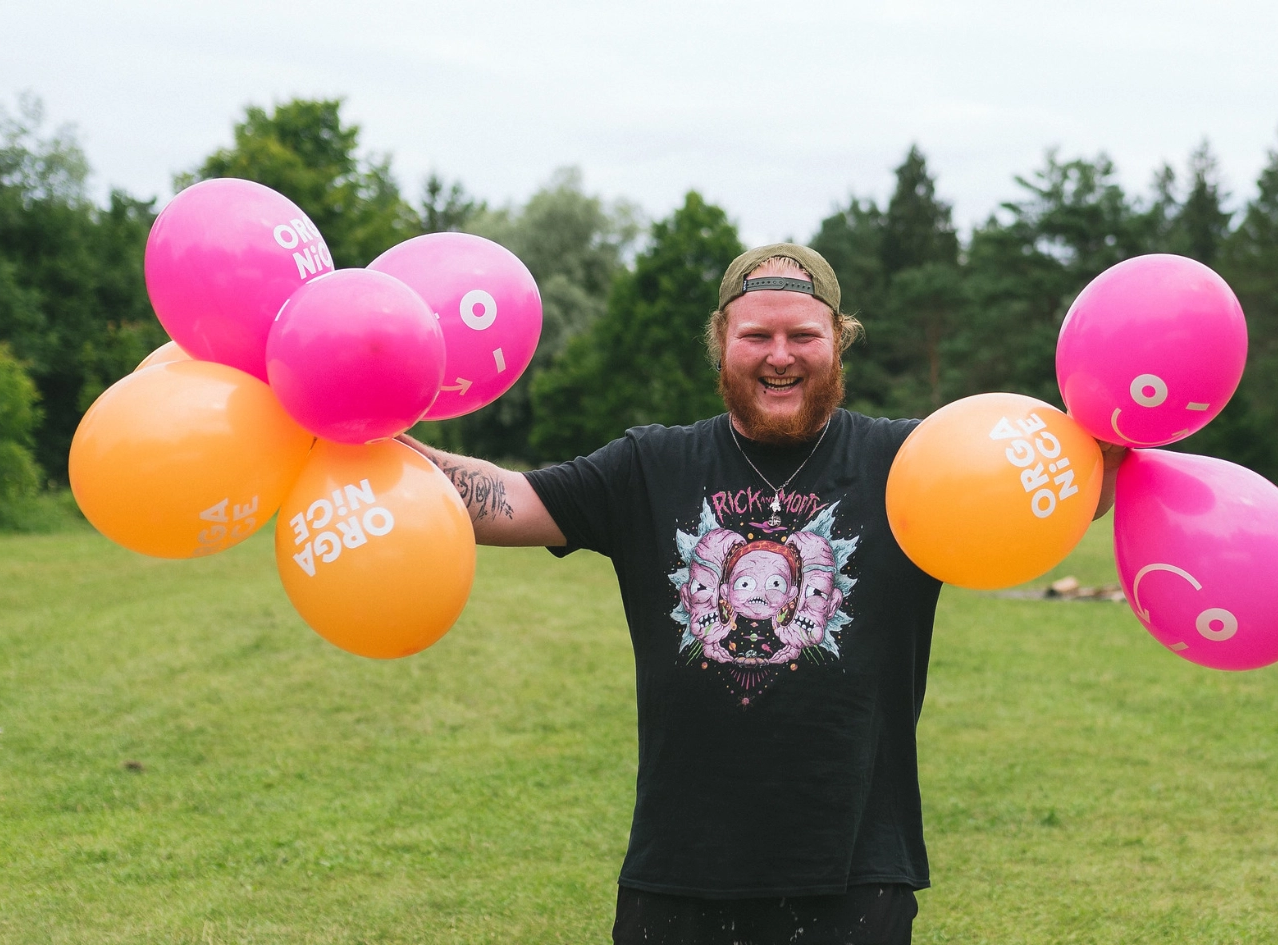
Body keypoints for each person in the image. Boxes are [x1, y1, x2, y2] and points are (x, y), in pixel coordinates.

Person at [402, 243, 1122, 945]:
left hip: (855, 875)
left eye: (803, 334)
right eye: (757, 335)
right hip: (679, 871)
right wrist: (371, 439)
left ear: (838, 341)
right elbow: (511, 500)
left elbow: (1063, 498)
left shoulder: (912, 464)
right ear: (722, 341)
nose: (781, 354)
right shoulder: (651, 465)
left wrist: (1119, 431)